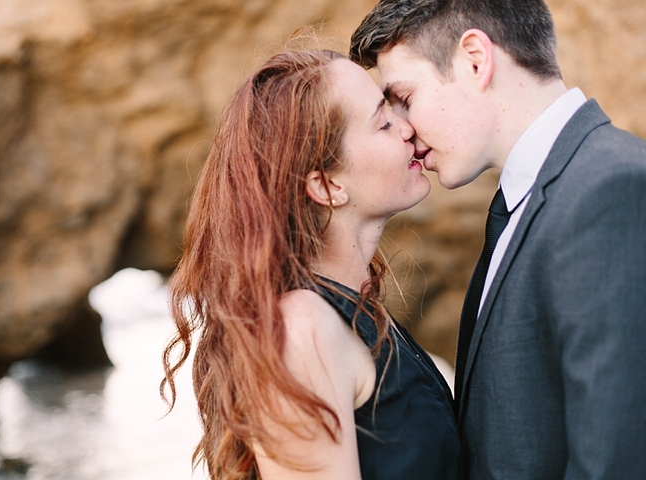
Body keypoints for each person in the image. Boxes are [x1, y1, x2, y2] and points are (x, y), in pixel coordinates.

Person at [350, 0, 646, 479]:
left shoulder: (610, 190)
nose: (402, 127)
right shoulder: (527, 202)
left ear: (474, 59)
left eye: (404, 96)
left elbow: (619, 458)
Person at [161, 48, 459, 479]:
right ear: (327, 185)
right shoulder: (302, 330)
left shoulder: (352, 311)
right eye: (382, 121)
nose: (407, 127)